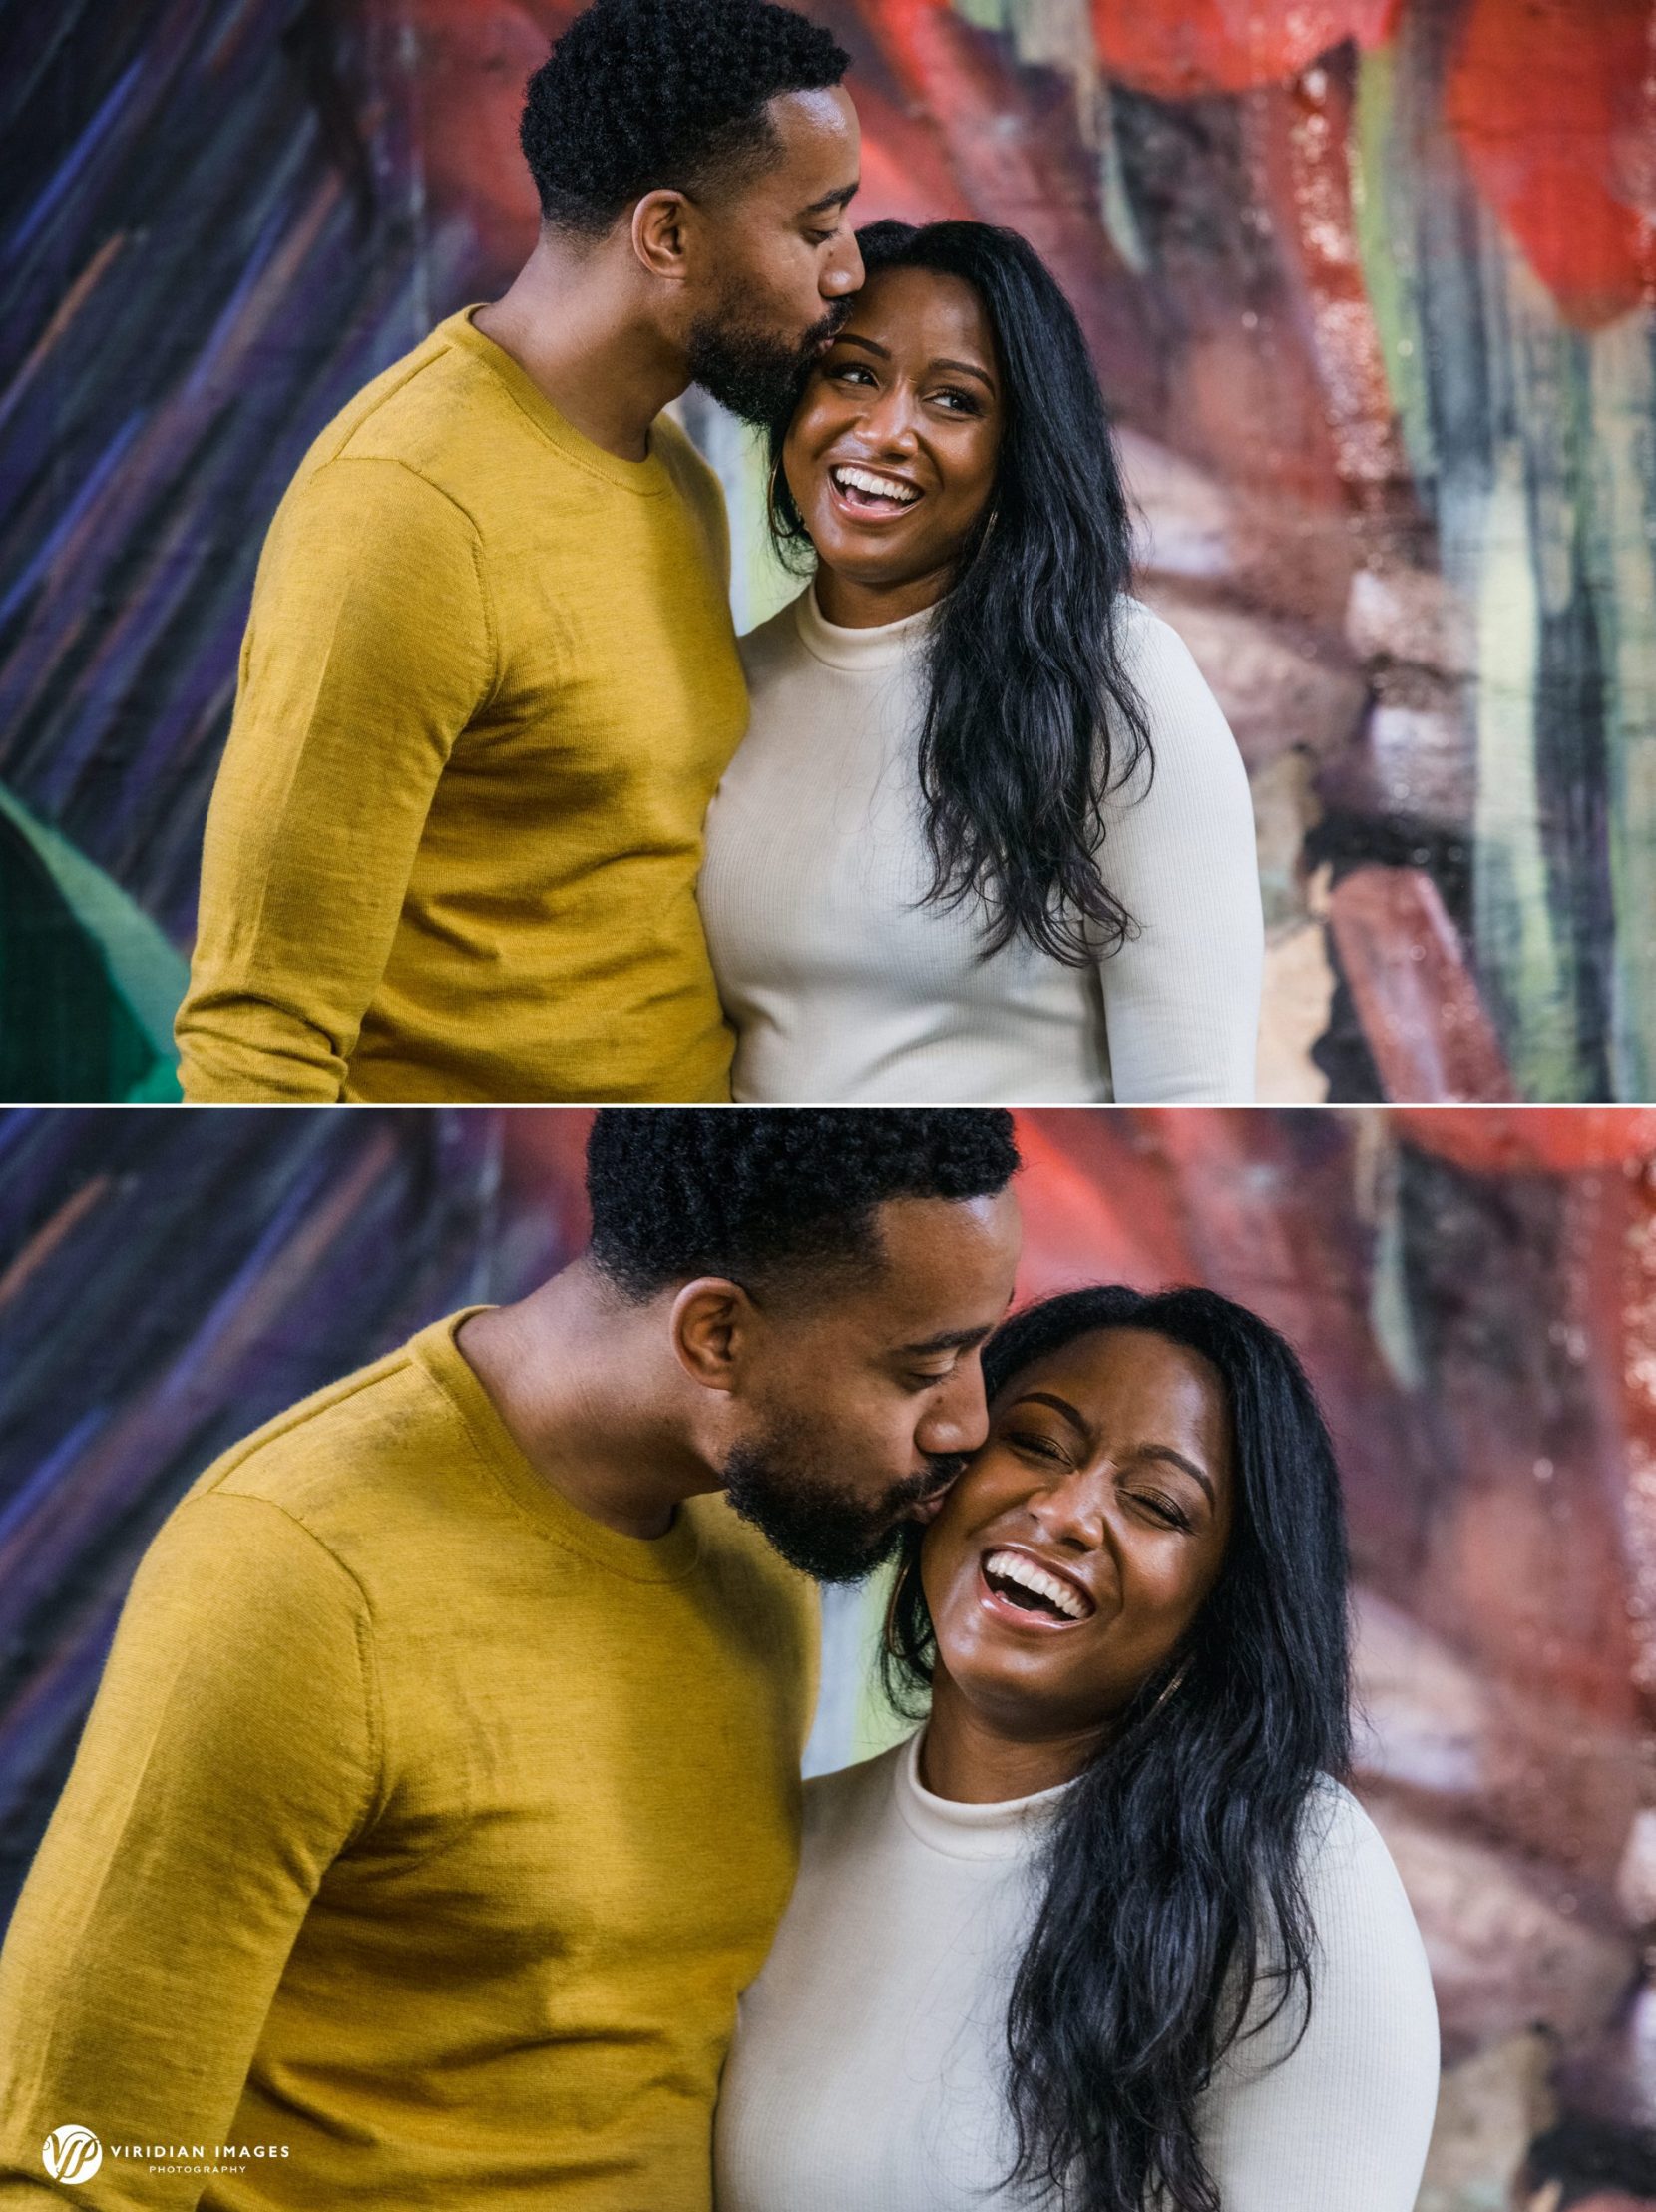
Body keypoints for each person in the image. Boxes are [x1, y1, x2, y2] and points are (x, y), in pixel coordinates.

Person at [0, 1108, 1023, 2211]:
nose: (967, 1419)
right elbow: (78, 2165)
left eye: (978, 1345)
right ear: (716, 1336)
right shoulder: (299, 1575)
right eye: (926, 1366)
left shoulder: (750, 1517)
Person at [175, 0, 865, 1104]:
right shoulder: (406, 510)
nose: (848, 274)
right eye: (817, 229)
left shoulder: (672, 468)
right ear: (669, 236)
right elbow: (258, 1036)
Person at [715, 1283, 1441, 2211]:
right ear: (945, 1477)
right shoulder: (787, 1845)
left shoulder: (1291, 1865)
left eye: (1158, 1504)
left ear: (1218, 1610)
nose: (1067, 1510)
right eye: (1036, 1444)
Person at [699, 221, 1264, 1104]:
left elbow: (1192, 1091)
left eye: (954, 401)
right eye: (853, 373)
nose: (885, 431)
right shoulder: (723, 690)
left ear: (1017, 454)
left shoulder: (1113, 674)